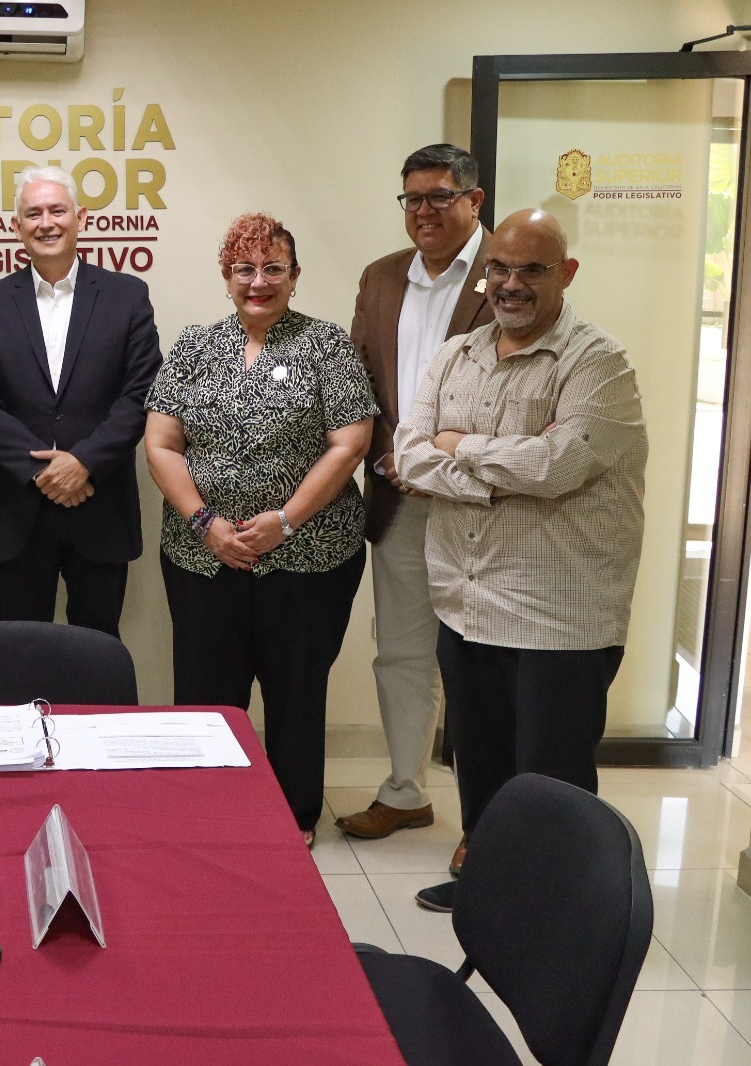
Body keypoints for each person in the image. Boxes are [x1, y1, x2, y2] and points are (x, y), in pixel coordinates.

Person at [394, 209, 646, 911]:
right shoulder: (456, 355)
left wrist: (458, 446)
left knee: (550, 776)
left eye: (531, 269)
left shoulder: (597, 362)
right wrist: (503, 464)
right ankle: (491, 888)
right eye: (499, 268)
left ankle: (555, 914)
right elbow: (408, 456)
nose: (511, 284)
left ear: (566, 273)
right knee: (480, 761)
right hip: (466, 602)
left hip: (557, 614)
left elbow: (560, 465)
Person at [144, 212, 377, 847]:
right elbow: (161, 443)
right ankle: (208, 809)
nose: (258, 281)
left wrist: (284, 521)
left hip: (309, 558)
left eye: (273, 268)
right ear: (226, 277)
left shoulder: (326, 346)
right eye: (244, 268)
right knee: (206, 691)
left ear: (295, 277)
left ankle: (293, 816)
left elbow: (350, 443)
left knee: (295, 690)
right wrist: (205, 523)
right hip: (203, 556)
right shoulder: (195, 346)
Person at [336, 145, 492, 853]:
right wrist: (384, 455)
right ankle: (406, 791)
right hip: (397, 494)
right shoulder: (381, 277)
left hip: (482, 502)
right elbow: (359, 380)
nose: (423, 211)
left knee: (481, 661)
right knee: (401, 651)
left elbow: (519, 391)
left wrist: (436, 455)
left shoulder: (508, 271)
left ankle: (490, 819)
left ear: (473, 201)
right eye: (412, 199)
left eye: (439, 196)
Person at [0, 165, 162, 637]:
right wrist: (44, 472)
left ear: (80, 217)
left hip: (100, 502)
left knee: (98, 649)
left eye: (57, 210)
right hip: (16, 509)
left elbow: (141, 391)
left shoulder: (127, 296)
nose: (45, 223)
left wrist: (84, 462)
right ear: (17, 226)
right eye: (33, 213)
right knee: (21, 651)